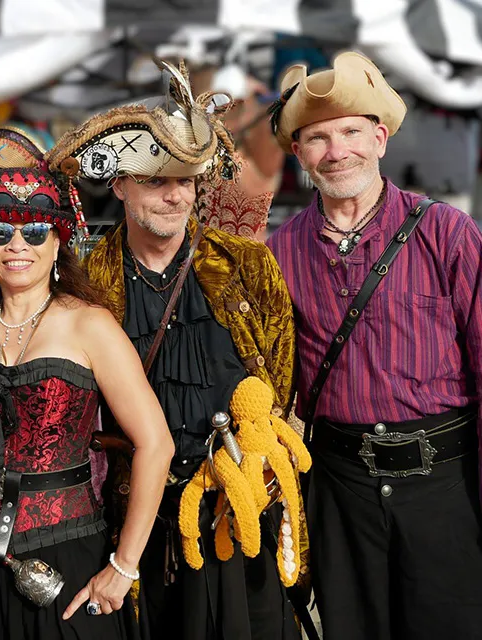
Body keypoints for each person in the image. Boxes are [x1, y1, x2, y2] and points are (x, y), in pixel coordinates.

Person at [45, 60, 304, 640]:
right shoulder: (84, 284)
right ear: (119, 184)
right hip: (138, 533)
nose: (173, 196)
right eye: (155, 181)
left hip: (237, 521)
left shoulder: (248, 267)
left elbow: (282, 384)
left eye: (184, 181)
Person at [266, 51, 482, 640]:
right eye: (317, 138)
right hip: (340, 493)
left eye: (351, 132)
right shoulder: (278, 256)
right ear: (298, 153)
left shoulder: (447, 232)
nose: (337, 152)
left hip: (446, 489)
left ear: (380, 138)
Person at [0, 135, 173, 640]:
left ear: (58, 241)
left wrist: (124, 565)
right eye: (0, 233)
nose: (17, 247)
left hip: (67, 555)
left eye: (36, 232)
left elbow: (156, 444)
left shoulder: (90, 326)